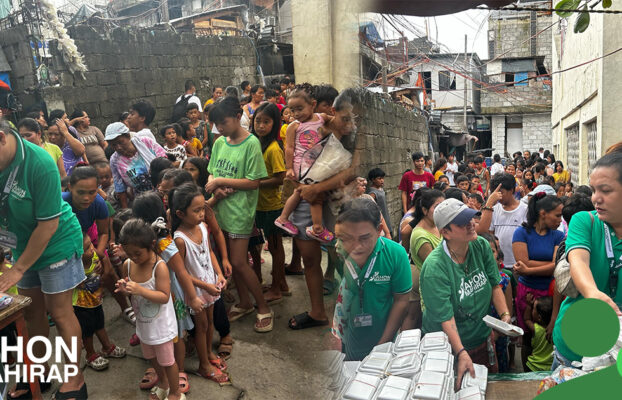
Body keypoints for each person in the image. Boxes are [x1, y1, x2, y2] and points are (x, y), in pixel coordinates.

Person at [0, 119, 87, 399]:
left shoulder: (39, 162)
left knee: (59, 312)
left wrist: (18, 269)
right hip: (23, 244)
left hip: (56, 242)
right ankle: (39, 370)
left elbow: (48, 225)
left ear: (1, 138)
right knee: (31, 312)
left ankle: (75, 376)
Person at [287, 88, 360, 330]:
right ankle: (318, 311)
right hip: (308, 194)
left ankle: (356, 308)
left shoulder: (344, 133)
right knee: (310, 258)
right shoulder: (299, 128)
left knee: (347, 255)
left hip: (335, 201)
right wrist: (301, 184)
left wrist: (318, 187)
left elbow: (352, 171)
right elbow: (293, 158)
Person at [420, 198, 511, 386]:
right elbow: (445, 317)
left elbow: (495, 285)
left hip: (481, 337)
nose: (471, 224)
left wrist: (505, 316)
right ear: (445, 232)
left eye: (471, 218)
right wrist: (460, 352)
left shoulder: (480, 246)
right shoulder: (435, 267)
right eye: (462, 223)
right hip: (448, 346)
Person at [206, 96, 274, 332]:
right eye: (217, 124)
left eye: (223, 122)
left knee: (238, 262)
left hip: (240, 212)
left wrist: (221, 181)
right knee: (234, 263)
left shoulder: (251, 143)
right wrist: (214, 182)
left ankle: (263, 307)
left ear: (238, 117)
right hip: (220, 209)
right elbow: (211, 172)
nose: (221, 128)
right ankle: (245, 302)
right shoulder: (219, 143)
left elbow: (254, 182)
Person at [552, 152, 622, 369]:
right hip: (573, 351)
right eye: (594, 190)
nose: (596, 198)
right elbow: (578, 261)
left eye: (606, 190)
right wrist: (592, 293)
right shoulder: (586, 221)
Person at [331, 198, 412, 360]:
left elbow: (401, 301)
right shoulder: (340, 249)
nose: (355, 246)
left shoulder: (396, 255)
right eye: (347, 238)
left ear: (379, 229)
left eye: (364, 238)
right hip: (349, 330)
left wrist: (382, 345)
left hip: (383, 332)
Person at [115, 219, 185, 400]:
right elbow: (130, 294)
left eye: (137, 253)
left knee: (168, 361)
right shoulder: (127, 265)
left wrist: (139, 290)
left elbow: (164, 296)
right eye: (130, 254)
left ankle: (176, 393)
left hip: (162, 327)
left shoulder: (159, 267)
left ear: (151, 245)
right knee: (152, 358)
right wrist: (124, 289)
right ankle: (163, 383)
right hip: (144, 325)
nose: (134, 258)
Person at [171, 183, 231, 385]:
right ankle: (204, 364)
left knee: (210, 322)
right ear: (180, 213)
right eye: (196, 211)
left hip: (211, 285)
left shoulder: (203, 228)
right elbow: (182, 274)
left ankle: (208, 353)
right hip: (196, 290)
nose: (201, 214)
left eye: (202, 209)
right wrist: (204, 286)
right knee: (201, 326)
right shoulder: (179, 239)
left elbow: (210, 252)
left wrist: (219, 273)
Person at [273, 85, 337, 243]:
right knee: (316, 197)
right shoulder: (294, 126)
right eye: (292, 110)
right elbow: (289, 148)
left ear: (312, 104)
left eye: (299, 109)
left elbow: (336, 121)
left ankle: (283, 218)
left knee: (299, 193)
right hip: (303, 166)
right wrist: (289, 168)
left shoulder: (322, 117)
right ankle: (317, 228)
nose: (296, 114)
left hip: (316, 166)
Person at [251, 103, 290, 303]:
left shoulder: (274, 148)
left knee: (276, 248)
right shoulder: (257, 143)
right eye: (258, 120)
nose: (261, 125)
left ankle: (276, 288)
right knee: (274, 246)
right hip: (260, 205)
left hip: (272, 206)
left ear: (274, 124)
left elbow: (280, 178)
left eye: (266, 122)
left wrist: (256, 184)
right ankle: (281, 283)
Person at [74, 234, 127, 371]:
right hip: (82, 305)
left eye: (91, 244)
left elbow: (103, 261)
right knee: (87, 330)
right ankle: (90, 354)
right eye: (86, 248)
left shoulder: (94, 258)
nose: (92, 249)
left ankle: (107, 347)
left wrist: (101, 266)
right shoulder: (74, 268)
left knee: (99, 323)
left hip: (96, 301)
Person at [403, 189, 445, 330]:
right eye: (437, 207)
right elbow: (434, 266)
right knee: (413, 317)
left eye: (443, 207)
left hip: (433, 280)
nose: (441, 211)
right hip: (425, 280)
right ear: (425, 210)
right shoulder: (421, 235)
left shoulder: (438, 226)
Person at [105, 121, 167, 208]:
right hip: (143, 199)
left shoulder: (145, 142)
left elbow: (166, 161)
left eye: (121, 142)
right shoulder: (115, 160)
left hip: (164, 193)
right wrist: (126, 211)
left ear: (128, 136)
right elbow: (120, 188)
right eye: (114, 145)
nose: (118, 147)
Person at [477, 173, 528, 269]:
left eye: (501, 192)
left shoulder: (525, 209)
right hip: (500, 265)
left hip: (519, 265)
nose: (498, 196)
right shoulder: (493, 210)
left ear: (511, 190)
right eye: (495, 193)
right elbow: (490, 234)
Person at [524, 294, 554, 371]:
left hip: (534, 366)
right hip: (549, 368)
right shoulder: (555, 330)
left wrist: (528, 305)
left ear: (539, 317)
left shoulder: (536, 329)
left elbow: (527, 319)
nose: (532, 310)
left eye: (533, 309)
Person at [367, 168, 393, 237]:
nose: (382, 180)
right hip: (380, 221)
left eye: (382, 178)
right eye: (379, 178)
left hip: (386, 218)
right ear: (373, 180)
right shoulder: (372, 192)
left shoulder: (380, 189)